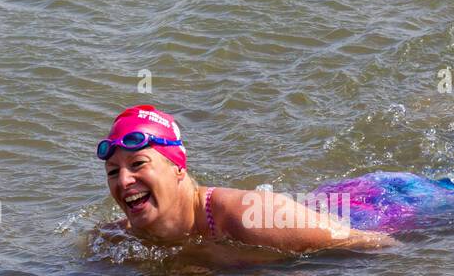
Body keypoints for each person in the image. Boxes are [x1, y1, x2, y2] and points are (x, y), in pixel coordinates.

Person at [95, 105, 398, 265]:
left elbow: (375, 243)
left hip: (383, 205)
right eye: (113, 172)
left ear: (178, 168)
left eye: (138, 165)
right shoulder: (117, 239)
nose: (124, 181)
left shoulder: (251, 216)